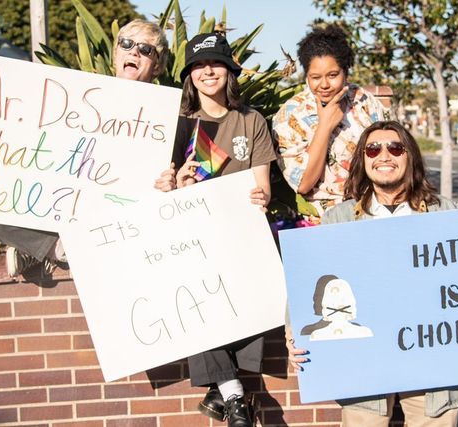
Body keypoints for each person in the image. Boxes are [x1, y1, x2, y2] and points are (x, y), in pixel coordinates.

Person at [285, 120, 458, 427]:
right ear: (363, 159)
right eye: (373, 149)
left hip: (435, 369)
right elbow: (311, 276)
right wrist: (294, 330)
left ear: (409, 156)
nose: (384, 155)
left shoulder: (448, 214)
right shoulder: (339, 219)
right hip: (363, 366)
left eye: (395, 147)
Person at [0, 19, 169, 277]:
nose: (134, 52)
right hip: (56, 209)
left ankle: (35, 250)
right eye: (127, 44)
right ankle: (56, 249)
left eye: (146, 49)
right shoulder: (77, 96)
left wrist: (169, 184)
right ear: (116, 54)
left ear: (158, 66)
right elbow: (4, 141)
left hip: (122, 224)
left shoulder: (166, 120)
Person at [154, 32, 275, 427]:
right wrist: (179, 187)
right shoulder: (178, 125)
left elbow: (262, 186)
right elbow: (160, 190)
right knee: (194, 294)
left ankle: (222, 390)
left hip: (239, 235)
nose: (208, 71)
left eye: (216, 63)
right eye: (199, 66)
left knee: (250, 291)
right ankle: (236, 395)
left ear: (229, 71)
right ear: (189, 75)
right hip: (190, 240)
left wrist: (261, 197)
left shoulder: (250, 120)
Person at [272, 25, 390, 223]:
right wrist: (325, 126)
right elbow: (304, 183)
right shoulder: (290, 115)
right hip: (320, 222)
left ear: (346, 72)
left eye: (333, 75)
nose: (324, 85)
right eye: (315, 78)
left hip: (373, 215)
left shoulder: (365, 102)